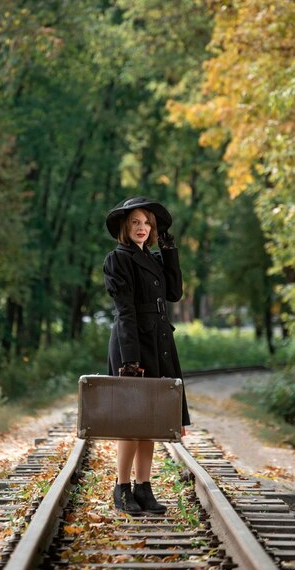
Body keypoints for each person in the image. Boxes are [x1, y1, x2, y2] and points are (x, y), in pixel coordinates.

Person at [103, 196, 191, 515]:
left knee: (150, 420)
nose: (142, 228)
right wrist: (129, 360)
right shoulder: (118, 258)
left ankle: (144, 489)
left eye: (147, 223)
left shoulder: (153, 258)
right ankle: (122, 489)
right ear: (125, 227)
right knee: (132, 422)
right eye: (136, 222)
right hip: (133, 343)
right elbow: (125, 311)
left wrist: (169, 253)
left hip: (159, 341)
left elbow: (174, 293)